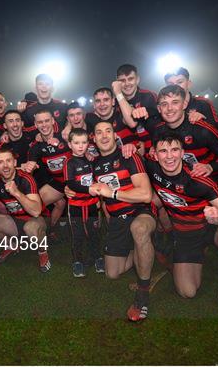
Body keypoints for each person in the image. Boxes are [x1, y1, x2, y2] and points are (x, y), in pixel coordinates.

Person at [151, 84, 218, 309]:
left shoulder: (202, 127)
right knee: (160, 203)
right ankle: (177, 245)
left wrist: (210, 166)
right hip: (183, 184)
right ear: (159, 108)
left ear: (185, 103)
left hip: (215, 179)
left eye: (175, 103)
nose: (169, 109)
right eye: (164, 104)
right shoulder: (159, 129)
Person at [147, 132, 218, 320]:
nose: (169, 156)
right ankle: (186, 255)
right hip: (186, 236)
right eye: (163, 151)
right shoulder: (151, 166)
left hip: (210, 229)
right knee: (187, 292)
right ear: (154, 154)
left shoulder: (199, 181)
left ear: (182, 152)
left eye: (175, 150)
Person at [91, 120, 155, 322]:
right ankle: (143, 253)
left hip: (140, 212)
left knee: (139, 229)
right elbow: (100, 197)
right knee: (112, 273)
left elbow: (146, 194)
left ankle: (143, 292)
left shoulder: (128, 155)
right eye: (99, 132)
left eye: (108, 131)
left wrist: (114, 193)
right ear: (93, 138)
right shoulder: (94, 164)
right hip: (118, 219)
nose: (104, 135)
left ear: (114, 134)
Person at [0, 148, 50, 272]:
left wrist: (16, 193)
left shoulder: (26, 179)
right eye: (1, 162)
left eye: (8, 161)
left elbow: (36, 211)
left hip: (37, 221)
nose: (5, 166)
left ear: (15, 163)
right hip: (16, 222)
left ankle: (42, 251)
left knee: (30, 228)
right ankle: (12, 245)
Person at [22, 110, 71, 240]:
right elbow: (30, 166)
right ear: (35, 125)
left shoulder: (65, 136)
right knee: (39, 204)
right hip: (58, 182)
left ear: (53, 121)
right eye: (40, 122)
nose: (44, 125)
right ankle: (49, 230)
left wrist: (69, 126)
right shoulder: (35, 147)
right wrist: (29, 167)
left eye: (46, 121)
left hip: (75, 180)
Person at [63, 128, 103, 277]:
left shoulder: (90, 159)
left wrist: (96, 197)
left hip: (92, 204)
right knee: (77, 235)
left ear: (88, 143)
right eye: (77, 143)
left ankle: (97, 257)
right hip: (76, 206)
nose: (81, 146)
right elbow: (70, 184)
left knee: (94, 232)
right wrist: (89, 190)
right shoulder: (69, 163)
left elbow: (95, 178)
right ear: (70, 144)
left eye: (84, 142)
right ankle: (77, 262)